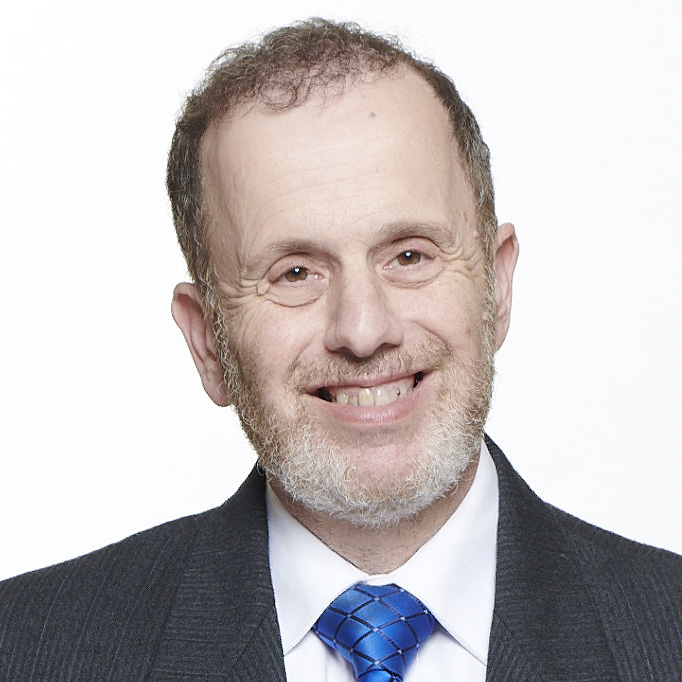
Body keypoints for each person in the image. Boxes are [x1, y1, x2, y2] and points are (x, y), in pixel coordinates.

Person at [1, 17, 681, 682]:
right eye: (295, 272)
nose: (363, 329)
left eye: (409, 255)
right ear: (207, 340)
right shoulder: (25, 652)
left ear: (497, 288)